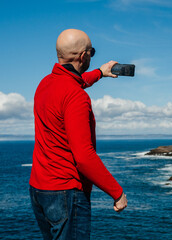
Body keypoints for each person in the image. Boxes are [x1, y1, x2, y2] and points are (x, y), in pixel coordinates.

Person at [29, 29, 128, 240]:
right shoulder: (77, 97)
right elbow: (83, 156)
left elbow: (75, 81)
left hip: (39, 189)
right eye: (92, 51)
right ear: (84, 56)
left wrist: (101, 72)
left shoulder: (45, 84)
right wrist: (117, 192)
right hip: (66, 193)